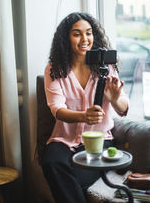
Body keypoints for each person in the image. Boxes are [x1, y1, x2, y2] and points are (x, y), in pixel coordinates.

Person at [41, 12, 129, 203]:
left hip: (99, 139)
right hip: (63, 139)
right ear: (66, 38)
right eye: (77, 34)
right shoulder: (54, 69)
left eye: (88, 33)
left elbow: (123, 107)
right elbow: (57, 109)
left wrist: (113, 99)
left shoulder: (106, 66)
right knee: (51, 162)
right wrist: (83, 116)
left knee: (73, 176)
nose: (85, 39)